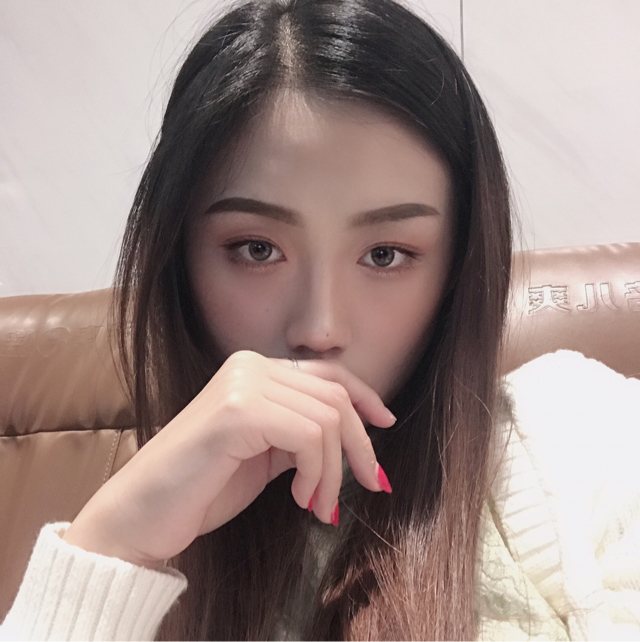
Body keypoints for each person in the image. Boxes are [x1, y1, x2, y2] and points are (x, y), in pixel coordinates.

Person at [2, 0, 639, 639]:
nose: (320, 329)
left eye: (385, 255)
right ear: (180, 262)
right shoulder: (168, 512)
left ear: (458, 268)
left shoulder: (578, 434)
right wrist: (112, 548)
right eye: (257, 250)